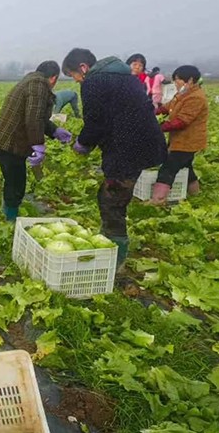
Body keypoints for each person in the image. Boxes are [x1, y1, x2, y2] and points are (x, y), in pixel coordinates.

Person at [63, 48, 167, 268]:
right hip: (144, 143)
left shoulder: (94, 82)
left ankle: (115, 255)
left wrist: (82, 144)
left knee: (112, 200)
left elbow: (95, 122)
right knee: (113, 195)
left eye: (74, 76)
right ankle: (110, 241)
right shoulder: (126, 77)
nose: (77, 81)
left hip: (126, 148)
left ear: (83, 68)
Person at [0, 60, 72, 221]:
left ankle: (8, 210)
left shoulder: (31, 82)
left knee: (13, 180)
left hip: (8, 139)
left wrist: (54, 130)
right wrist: (38, 145)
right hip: (12, 142)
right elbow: (34, 119)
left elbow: (37, 116)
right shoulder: (38, 86)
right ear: (54, 78)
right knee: (16, 183)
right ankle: (10, 219)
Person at [151, 65, 208, 203]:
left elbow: (182, 121)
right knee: (186, 166)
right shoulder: (182, 94)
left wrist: (158, 128)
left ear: (189, 80)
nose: (175, 83)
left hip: (188, 141)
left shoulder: (196, 98)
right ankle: (196, 195)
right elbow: (166, 107)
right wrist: (151, 113)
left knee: (168, 168)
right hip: (179, 139)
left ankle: (158, 200)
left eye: (177, 80)